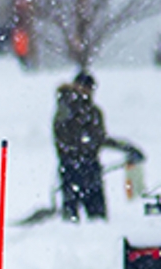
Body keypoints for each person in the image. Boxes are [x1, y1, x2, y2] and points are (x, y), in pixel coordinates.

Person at [53, 71, 142, 221]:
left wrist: (125, 147)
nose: (87, 92)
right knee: (70, 220)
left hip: (90, 168)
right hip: (72, 167)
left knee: (98, 219)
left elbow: (99, 138)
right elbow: (67, 139)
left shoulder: (93, 111)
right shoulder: (66, 109)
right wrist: (83, 151)